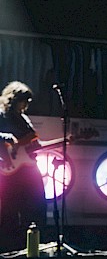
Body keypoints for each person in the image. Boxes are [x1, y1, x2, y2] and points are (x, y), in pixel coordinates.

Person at [0, 81, 47, 251]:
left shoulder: (24, 119)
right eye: (24, 101)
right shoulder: (1, 115)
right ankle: (9, 247)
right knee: (9, 209)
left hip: (29, 170)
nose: (26, 105)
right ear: (14, 99)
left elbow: (35, 144)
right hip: (9, 173)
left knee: (38, 204)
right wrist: (5, 138)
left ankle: (34, 245)